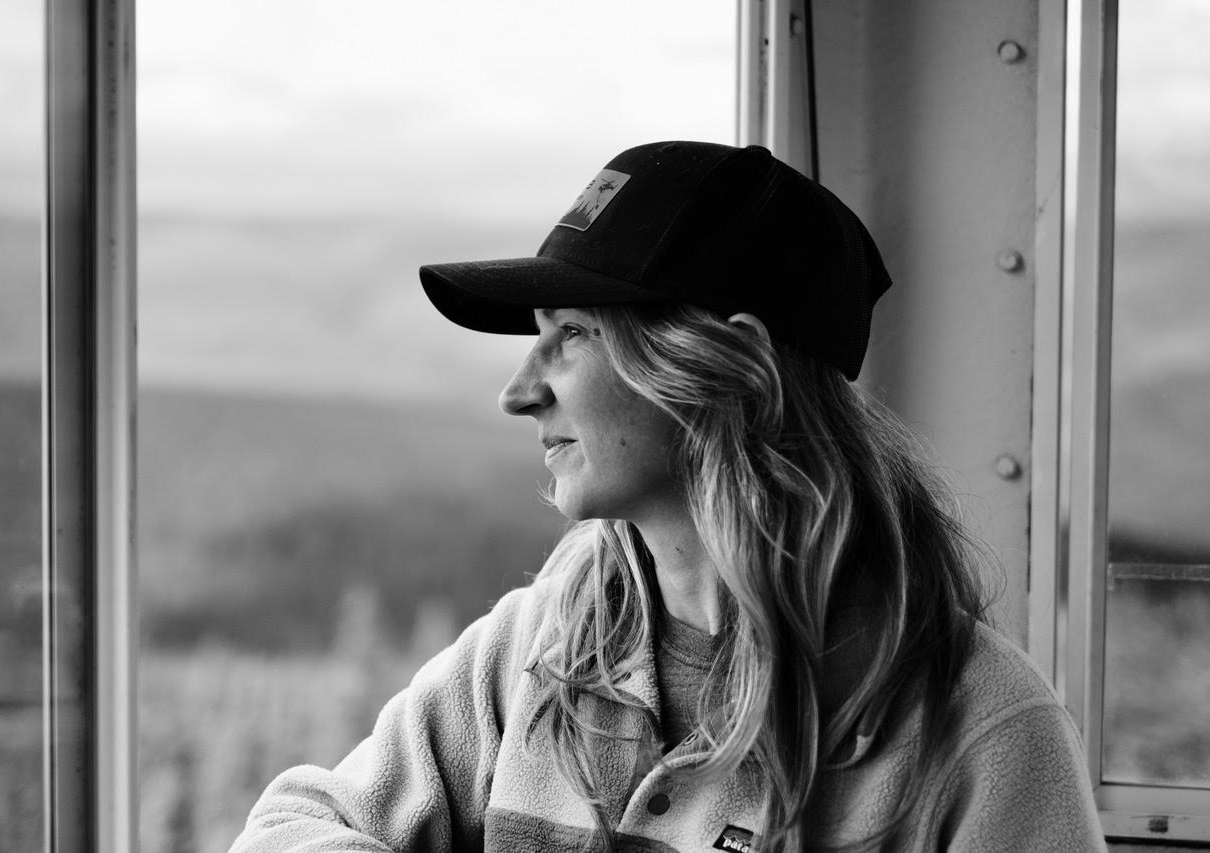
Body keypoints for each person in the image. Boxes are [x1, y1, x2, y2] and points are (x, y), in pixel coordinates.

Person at [229, 141, 1106, 852]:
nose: (520, 391)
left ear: (733, 369)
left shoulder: (982, 731)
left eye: (573, 335)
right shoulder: (537, 648)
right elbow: (291, 827)